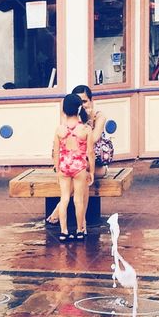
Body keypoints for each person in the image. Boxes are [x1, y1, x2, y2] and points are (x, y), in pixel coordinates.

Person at [52, 93, 95, 241]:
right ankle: (79, 230)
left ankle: (63, 231)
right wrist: (92, 171)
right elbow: (90, 152)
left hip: (64, 166)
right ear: (79, 109)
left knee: (64, 199)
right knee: (78, 200)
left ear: (63, 110)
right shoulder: (85, 129)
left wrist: (57, 169)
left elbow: (56, 152)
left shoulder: (59, 130)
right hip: (79, 167)